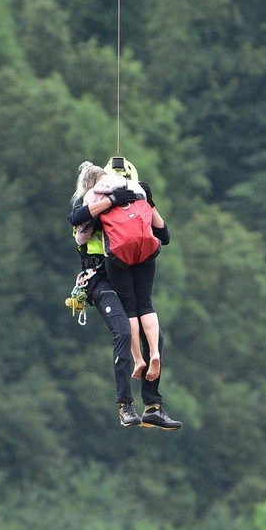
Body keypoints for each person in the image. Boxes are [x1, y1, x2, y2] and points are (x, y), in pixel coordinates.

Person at [68, 159, 183, 431]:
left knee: (154, 335)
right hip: (99, 278)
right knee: (122, 330)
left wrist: (147, 202)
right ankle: (125, 406)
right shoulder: (90, 200)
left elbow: (163, 235)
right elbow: (76, 219)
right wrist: (110, 202)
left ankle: (153, 406)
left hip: (124, 270)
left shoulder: (131, 202)